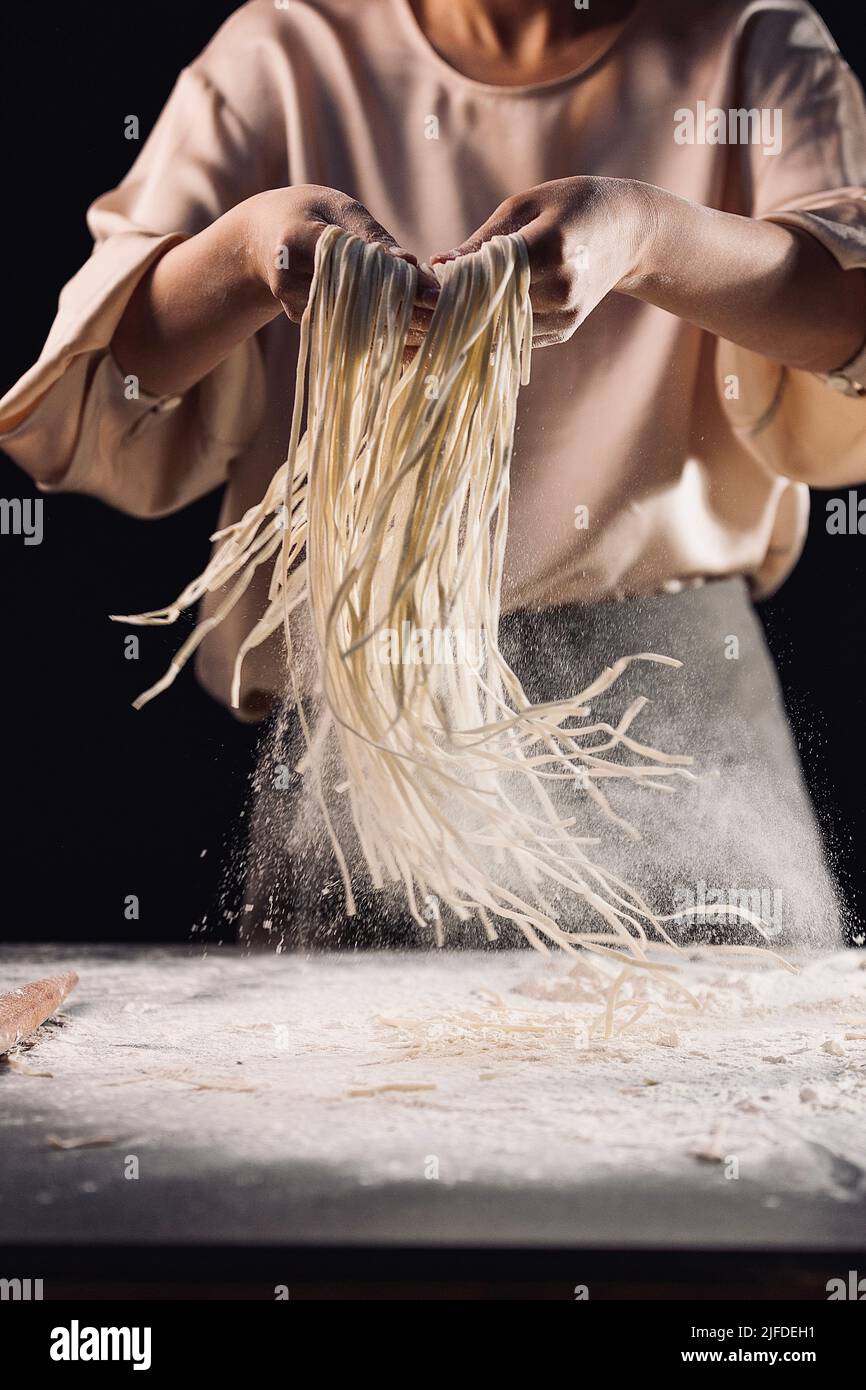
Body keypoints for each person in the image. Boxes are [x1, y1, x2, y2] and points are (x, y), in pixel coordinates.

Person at [3, 0, 866, 947]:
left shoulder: (750, 37)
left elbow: (848, 307)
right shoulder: (282, 50)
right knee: (365, 1080)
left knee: (740, 1084)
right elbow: (95, 389)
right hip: (368, 737)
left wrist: (650, 239)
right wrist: (250, 254)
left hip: (676, 710)